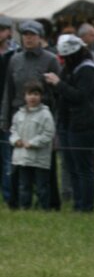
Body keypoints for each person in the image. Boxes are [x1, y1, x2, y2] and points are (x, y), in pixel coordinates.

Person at [0, 20, 60, 210]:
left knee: (44, 163)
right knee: (17, 162)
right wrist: (5, 118)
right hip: (19, 115)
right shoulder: (15, 59)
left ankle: (49, 203)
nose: (28, 38)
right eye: (25, 35)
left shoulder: (50, 59)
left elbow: (57, 94)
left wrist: (55, 122)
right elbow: (8, 91)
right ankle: (16, 202)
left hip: (42, 116)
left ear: (40, 37)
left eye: (32, 35)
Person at [44, 34, 94, 212]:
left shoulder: (88, 69)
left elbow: (80, 96)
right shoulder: (69, 68)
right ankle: (78, 204)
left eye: (66, 57)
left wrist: (58, 83)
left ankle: (86, 206)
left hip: (83, 124)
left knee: (83, 168)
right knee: (72, 167)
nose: (64, 60)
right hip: (67, 122)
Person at [9, 82, 56, 210]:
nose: (32, 97)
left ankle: (43, 208)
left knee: (42, 186)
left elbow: (48, 134)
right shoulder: (19, 114)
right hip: (22, 158)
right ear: (24, 96)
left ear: (41, 96)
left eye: (36, 94)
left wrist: (33, 143)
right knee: (24, 185)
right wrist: (16, 140)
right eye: (30, 94)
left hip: (39, 158)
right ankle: (25, 207)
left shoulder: (46, 114)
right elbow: (13, 130)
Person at [0, 15, 19, 204]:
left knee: (8, 156)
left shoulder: (16, 54)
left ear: (9, 32)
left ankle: (8, 195)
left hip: (10, 110)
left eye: (2, 29)